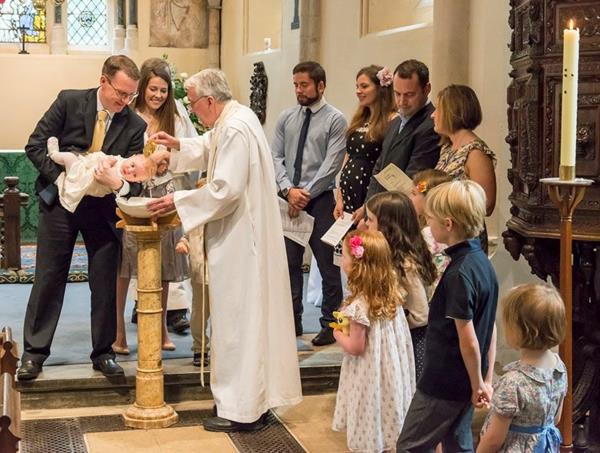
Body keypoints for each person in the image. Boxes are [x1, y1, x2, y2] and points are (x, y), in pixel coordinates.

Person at [147, 68, 302, 432]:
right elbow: (210, 146)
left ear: (210, 101)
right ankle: (253, 402)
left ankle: (240, 410)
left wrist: (178, 199)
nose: (195, 112)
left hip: (238, 245)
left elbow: (225, 189)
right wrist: (178, 147)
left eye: (195, 106)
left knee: (237, 324)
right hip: (243, 241)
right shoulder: (237, 118)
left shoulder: (233, 126)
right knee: (245, 323)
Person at [18, 55, 146, 381]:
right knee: (49, 277)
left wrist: (117, 180)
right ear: (103, 81)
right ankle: (34, 354)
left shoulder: (134, 125)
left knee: (104, 281)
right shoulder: (69, 101)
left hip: (103, 209)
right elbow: (35, 145)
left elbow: (137, 179)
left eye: (131, 95)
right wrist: (61, 179)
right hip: (61, 203)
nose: (125, 101)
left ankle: (103, 353)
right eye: (120, 93)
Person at [397, 180, 498, 452]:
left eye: (429, 219)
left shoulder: (459, 274)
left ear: (449, 224)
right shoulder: (482, 264)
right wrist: (483, 379)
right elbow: (490, 327)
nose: (426, 224)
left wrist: (480, 383)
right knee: (457, 443)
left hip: (443, 381)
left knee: (410, 446)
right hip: (464, 379)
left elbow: (470, 340)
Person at [113, 58, 197, 355]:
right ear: (143, 87)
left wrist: (167, 163)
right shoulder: (129, 114)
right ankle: (119, 332)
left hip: (165, 194)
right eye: (153, 89)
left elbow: (190, 153)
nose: (158, 96)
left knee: (162, 265)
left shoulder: (177, 116)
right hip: (133, 194)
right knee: (124, 265)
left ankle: (160, 328)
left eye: (163, 90)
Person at [271, 61, 346, 345]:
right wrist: (288, 189)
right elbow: (275, 156)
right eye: (295, 85)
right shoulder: (286, 117)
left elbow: (332, 163)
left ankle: (332, 325)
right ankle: (292, 321)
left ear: (321, 85)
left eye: (304, 85)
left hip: (321, 200)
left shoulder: (335, 119)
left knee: (329, 265)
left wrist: (305, 195)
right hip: (288, 199)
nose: (299, 90)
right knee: (288, 263)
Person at [332, 230, 415, 452]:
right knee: (386, 413)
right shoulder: (392, 298)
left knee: (369, 411)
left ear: (357, 265)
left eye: (345, 255)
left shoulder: (359, 306)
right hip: (389, 372)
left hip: (368, 374)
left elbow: (356, 347)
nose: (342, 260)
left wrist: (338, 333)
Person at [477, 283, 567, 453]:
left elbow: (493, 440)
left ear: (523, 330)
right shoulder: (559, 367)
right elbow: (556, 418)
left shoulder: (513, 382)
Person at [353, 59, 440, 223]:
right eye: (397, 94)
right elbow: (379, 168)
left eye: (409, 95)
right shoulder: (394, 122)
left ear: (426, 89)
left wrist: (378, 211)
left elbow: (415, 178)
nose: (401, 102)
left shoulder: (430, 125)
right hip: (380, 210)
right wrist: (368, 206)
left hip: (401, 214)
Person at [364, 191, 437, 382]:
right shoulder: (392, 256)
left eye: (371, 220)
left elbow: (421, 315)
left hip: (412, 340)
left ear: (388, 227)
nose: (365, 225)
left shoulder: (406, 264)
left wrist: (392, 326)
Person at [432, 84, 497, 252]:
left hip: (464, 237)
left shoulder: (475, 152)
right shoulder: (447, 147)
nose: (433, 115)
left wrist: (449, 204)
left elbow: (486, 204)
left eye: (438, 109)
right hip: (445, 232)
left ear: (452, 111)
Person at [333, 65, 396, 219]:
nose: (358, 91)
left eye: (364, 86)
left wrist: (368, 205)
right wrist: (339, 197)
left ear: (380, 88)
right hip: (348, 194)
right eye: (357, 86)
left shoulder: (392, 120)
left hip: (370, 193)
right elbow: (349, 156)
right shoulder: (359, 120)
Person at [47, 136, 156, 213]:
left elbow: (126, 188)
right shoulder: (120, 160)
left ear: (137, 181)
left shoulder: (122, 178)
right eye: (132, 165)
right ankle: (56, 160)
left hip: (86, 182)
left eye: (135, 175)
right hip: (83, 170)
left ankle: (53, 154)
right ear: (132, 157)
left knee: (69, 158)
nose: (129, 171)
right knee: (70, 159)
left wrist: (108, 167)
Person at [409, 169, 453, 288]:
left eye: (414, 193)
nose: (410, 198)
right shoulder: (427, 228)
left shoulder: (431, 233)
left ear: (428, 197)